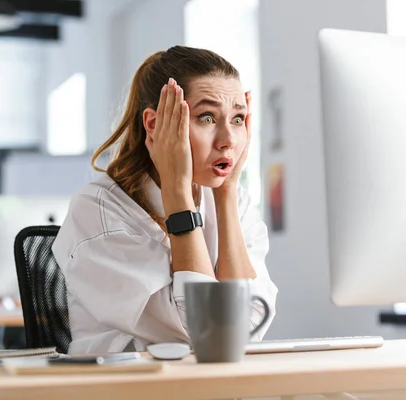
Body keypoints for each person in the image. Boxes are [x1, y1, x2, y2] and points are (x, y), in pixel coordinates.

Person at [52, 46, 279, 354]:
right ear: (154, 125)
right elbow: (206, 334)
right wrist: (177, 193)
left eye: (238, 119)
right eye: (208, 117)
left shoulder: (233, 200)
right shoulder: (98, 211)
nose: (228, 140)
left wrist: (225, 198)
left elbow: (249, 329)